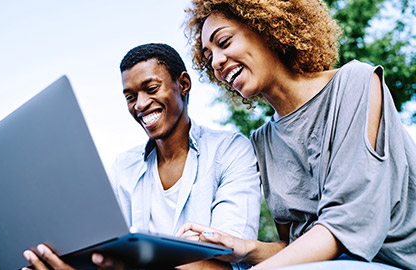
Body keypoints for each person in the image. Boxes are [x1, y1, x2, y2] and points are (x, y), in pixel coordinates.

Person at [177, 0, 416, 269]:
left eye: (224, 42)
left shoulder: (356, 83)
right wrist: (243, 248)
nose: (217, 63)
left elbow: (345, 227)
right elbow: (297, 247)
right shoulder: (263, 141)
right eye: (209, 58)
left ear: (264, 27)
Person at [23, 43, 261, 270]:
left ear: (183, 84)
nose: (140, 104)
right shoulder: (123, 167)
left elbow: (231, 260)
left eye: (151, 89)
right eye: (130, 97)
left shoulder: (229, 150)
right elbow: (107, 254)